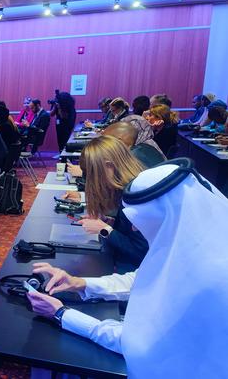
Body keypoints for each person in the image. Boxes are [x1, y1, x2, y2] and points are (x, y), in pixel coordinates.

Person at [27, 161, 228, 378]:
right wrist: (78, 282)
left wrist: (62, 314)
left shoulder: (211, 277)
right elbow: (142, 279)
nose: (133, 228)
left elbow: (138, 345)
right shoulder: (196, 240)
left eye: (138, 221)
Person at [64, 136, 147, 273]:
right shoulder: (131, 187)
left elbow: (140, 253)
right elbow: (132, 232)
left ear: (109, 166)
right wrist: (108, 222)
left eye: (92, 173)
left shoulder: (136, 196)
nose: (91, 180)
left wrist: (105, 230)